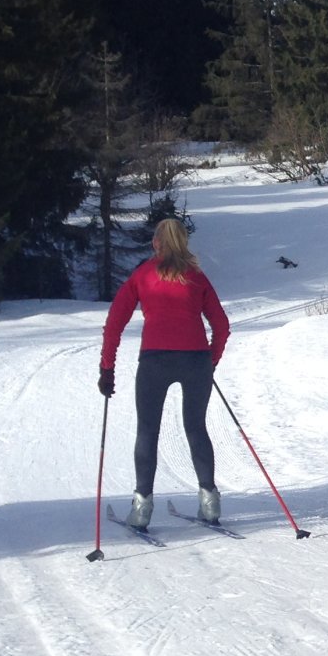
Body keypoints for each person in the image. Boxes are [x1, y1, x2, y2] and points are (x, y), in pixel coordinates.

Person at [98, 217, 231, 529]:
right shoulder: (197, 276)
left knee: (148, 431)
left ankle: (142, 509)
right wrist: (210, 360)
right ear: (183, 242)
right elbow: (222, 326)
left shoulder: (142, 276)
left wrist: (107, 370)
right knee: (196, 428)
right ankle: (210, 503)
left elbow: (114, 325)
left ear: (156, 243)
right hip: (195, 359)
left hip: (155, 360)